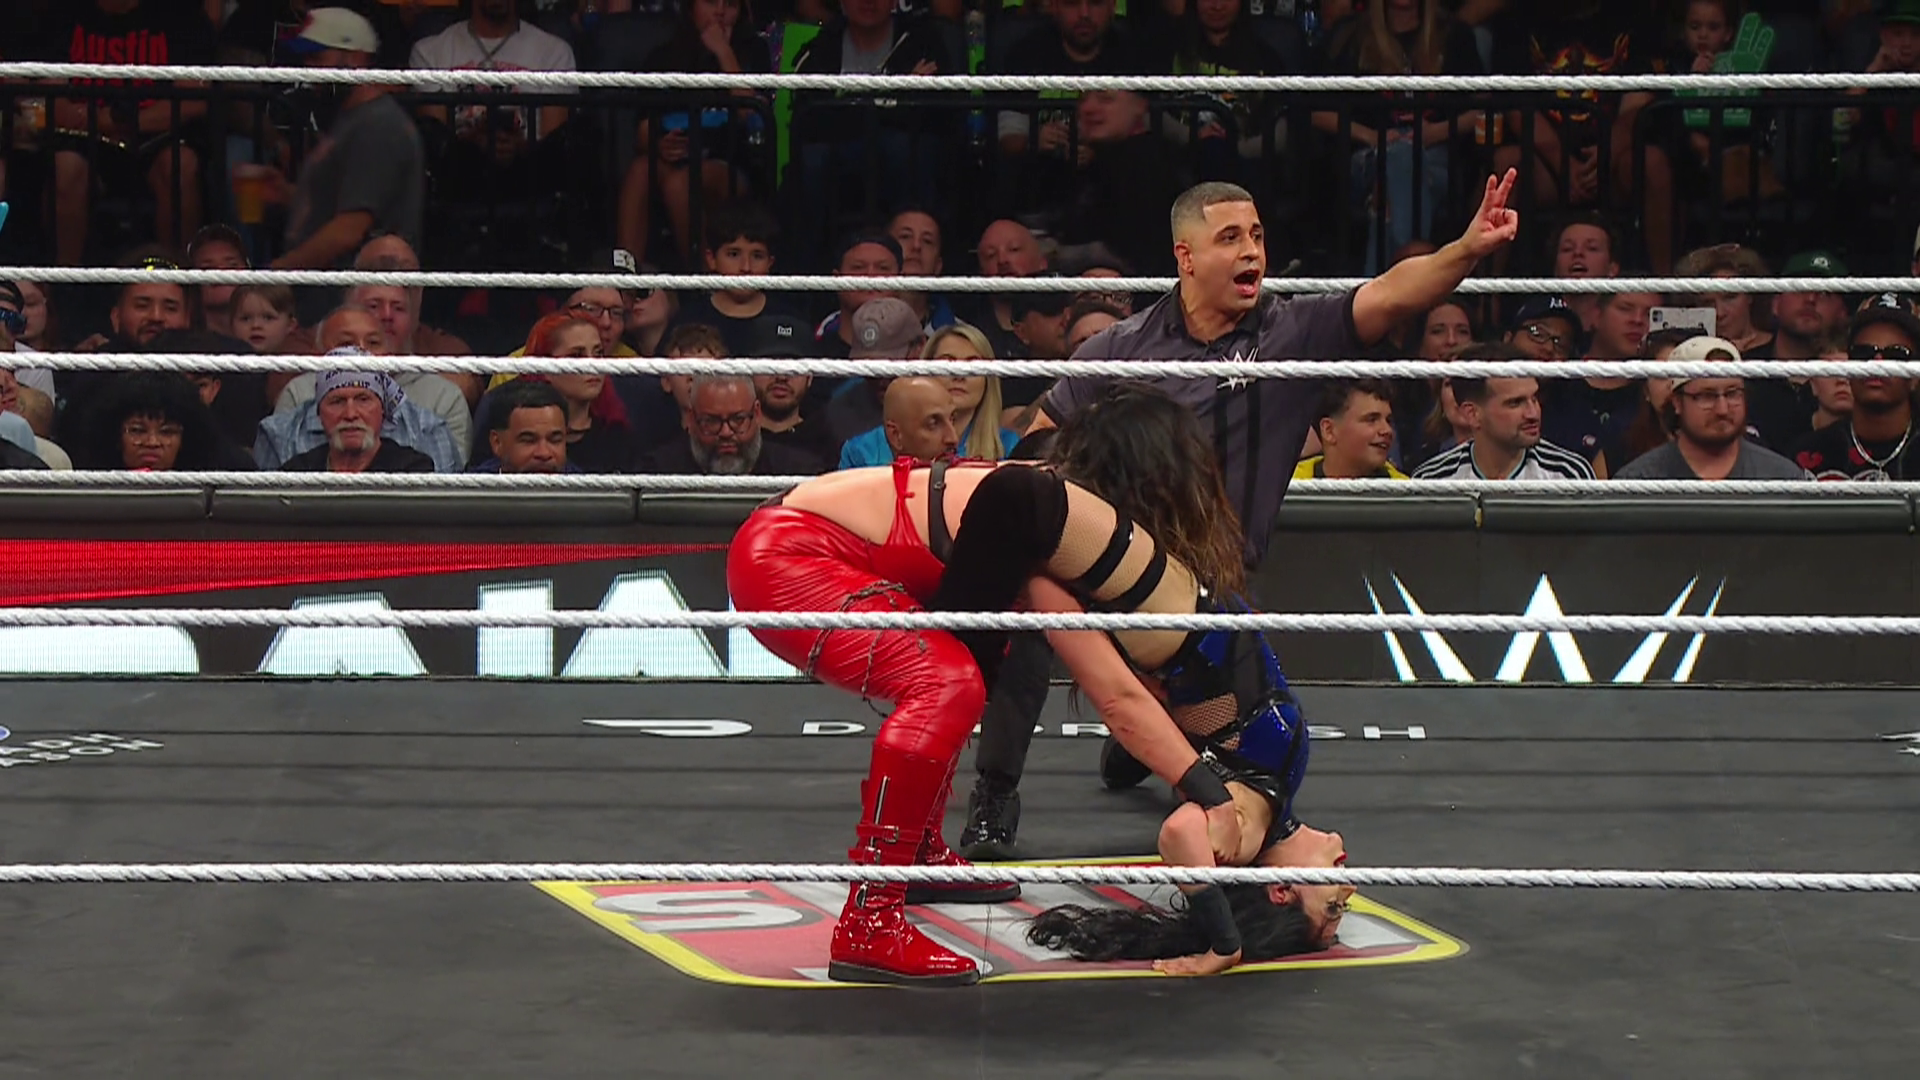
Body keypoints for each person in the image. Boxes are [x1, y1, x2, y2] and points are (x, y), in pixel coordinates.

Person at [964, 171, 1521, 850]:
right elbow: (1037, 445)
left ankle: (1154, 736)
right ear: (1186, 256)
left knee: (1252, 737)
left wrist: (1466, 248)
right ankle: (995, 792)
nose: (1251, 250)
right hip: (1114, 564)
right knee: (1028, 606)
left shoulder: (1292, 333)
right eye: (1230, 237)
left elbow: (1389, 294)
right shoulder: (1122, 349)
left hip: (1207, 583)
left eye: (1257, 235)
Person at [726, 383, 1345, 986]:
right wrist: (1208, 792)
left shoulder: (1063, 535)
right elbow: (1118, 699)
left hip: (813, 544)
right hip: (792, 553)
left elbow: (1126, 694)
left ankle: (913, 853)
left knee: (968, 670)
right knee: (949, 681)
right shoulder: (1054, 519)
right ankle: (870, 919)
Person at [1613, 337, 1807, 481]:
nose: (1722, 409)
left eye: (1732, 394)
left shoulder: (1782, 479)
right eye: (1706, 396)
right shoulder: (1639, 482)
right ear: (1677, 402)